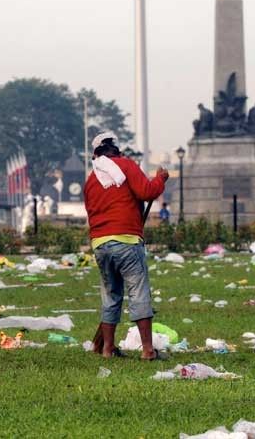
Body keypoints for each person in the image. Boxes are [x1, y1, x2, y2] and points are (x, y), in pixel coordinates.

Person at [84, 132, 169, 360]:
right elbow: (147, 191)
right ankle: (148, 350)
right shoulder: (126, 165)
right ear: (117, 151)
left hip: (100, 244)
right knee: (138, 293)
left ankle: (107, 348)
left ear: (97, 154)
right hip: (127, 241)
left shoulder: (92, 179)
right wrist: (161, 178)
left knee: (111, 296)